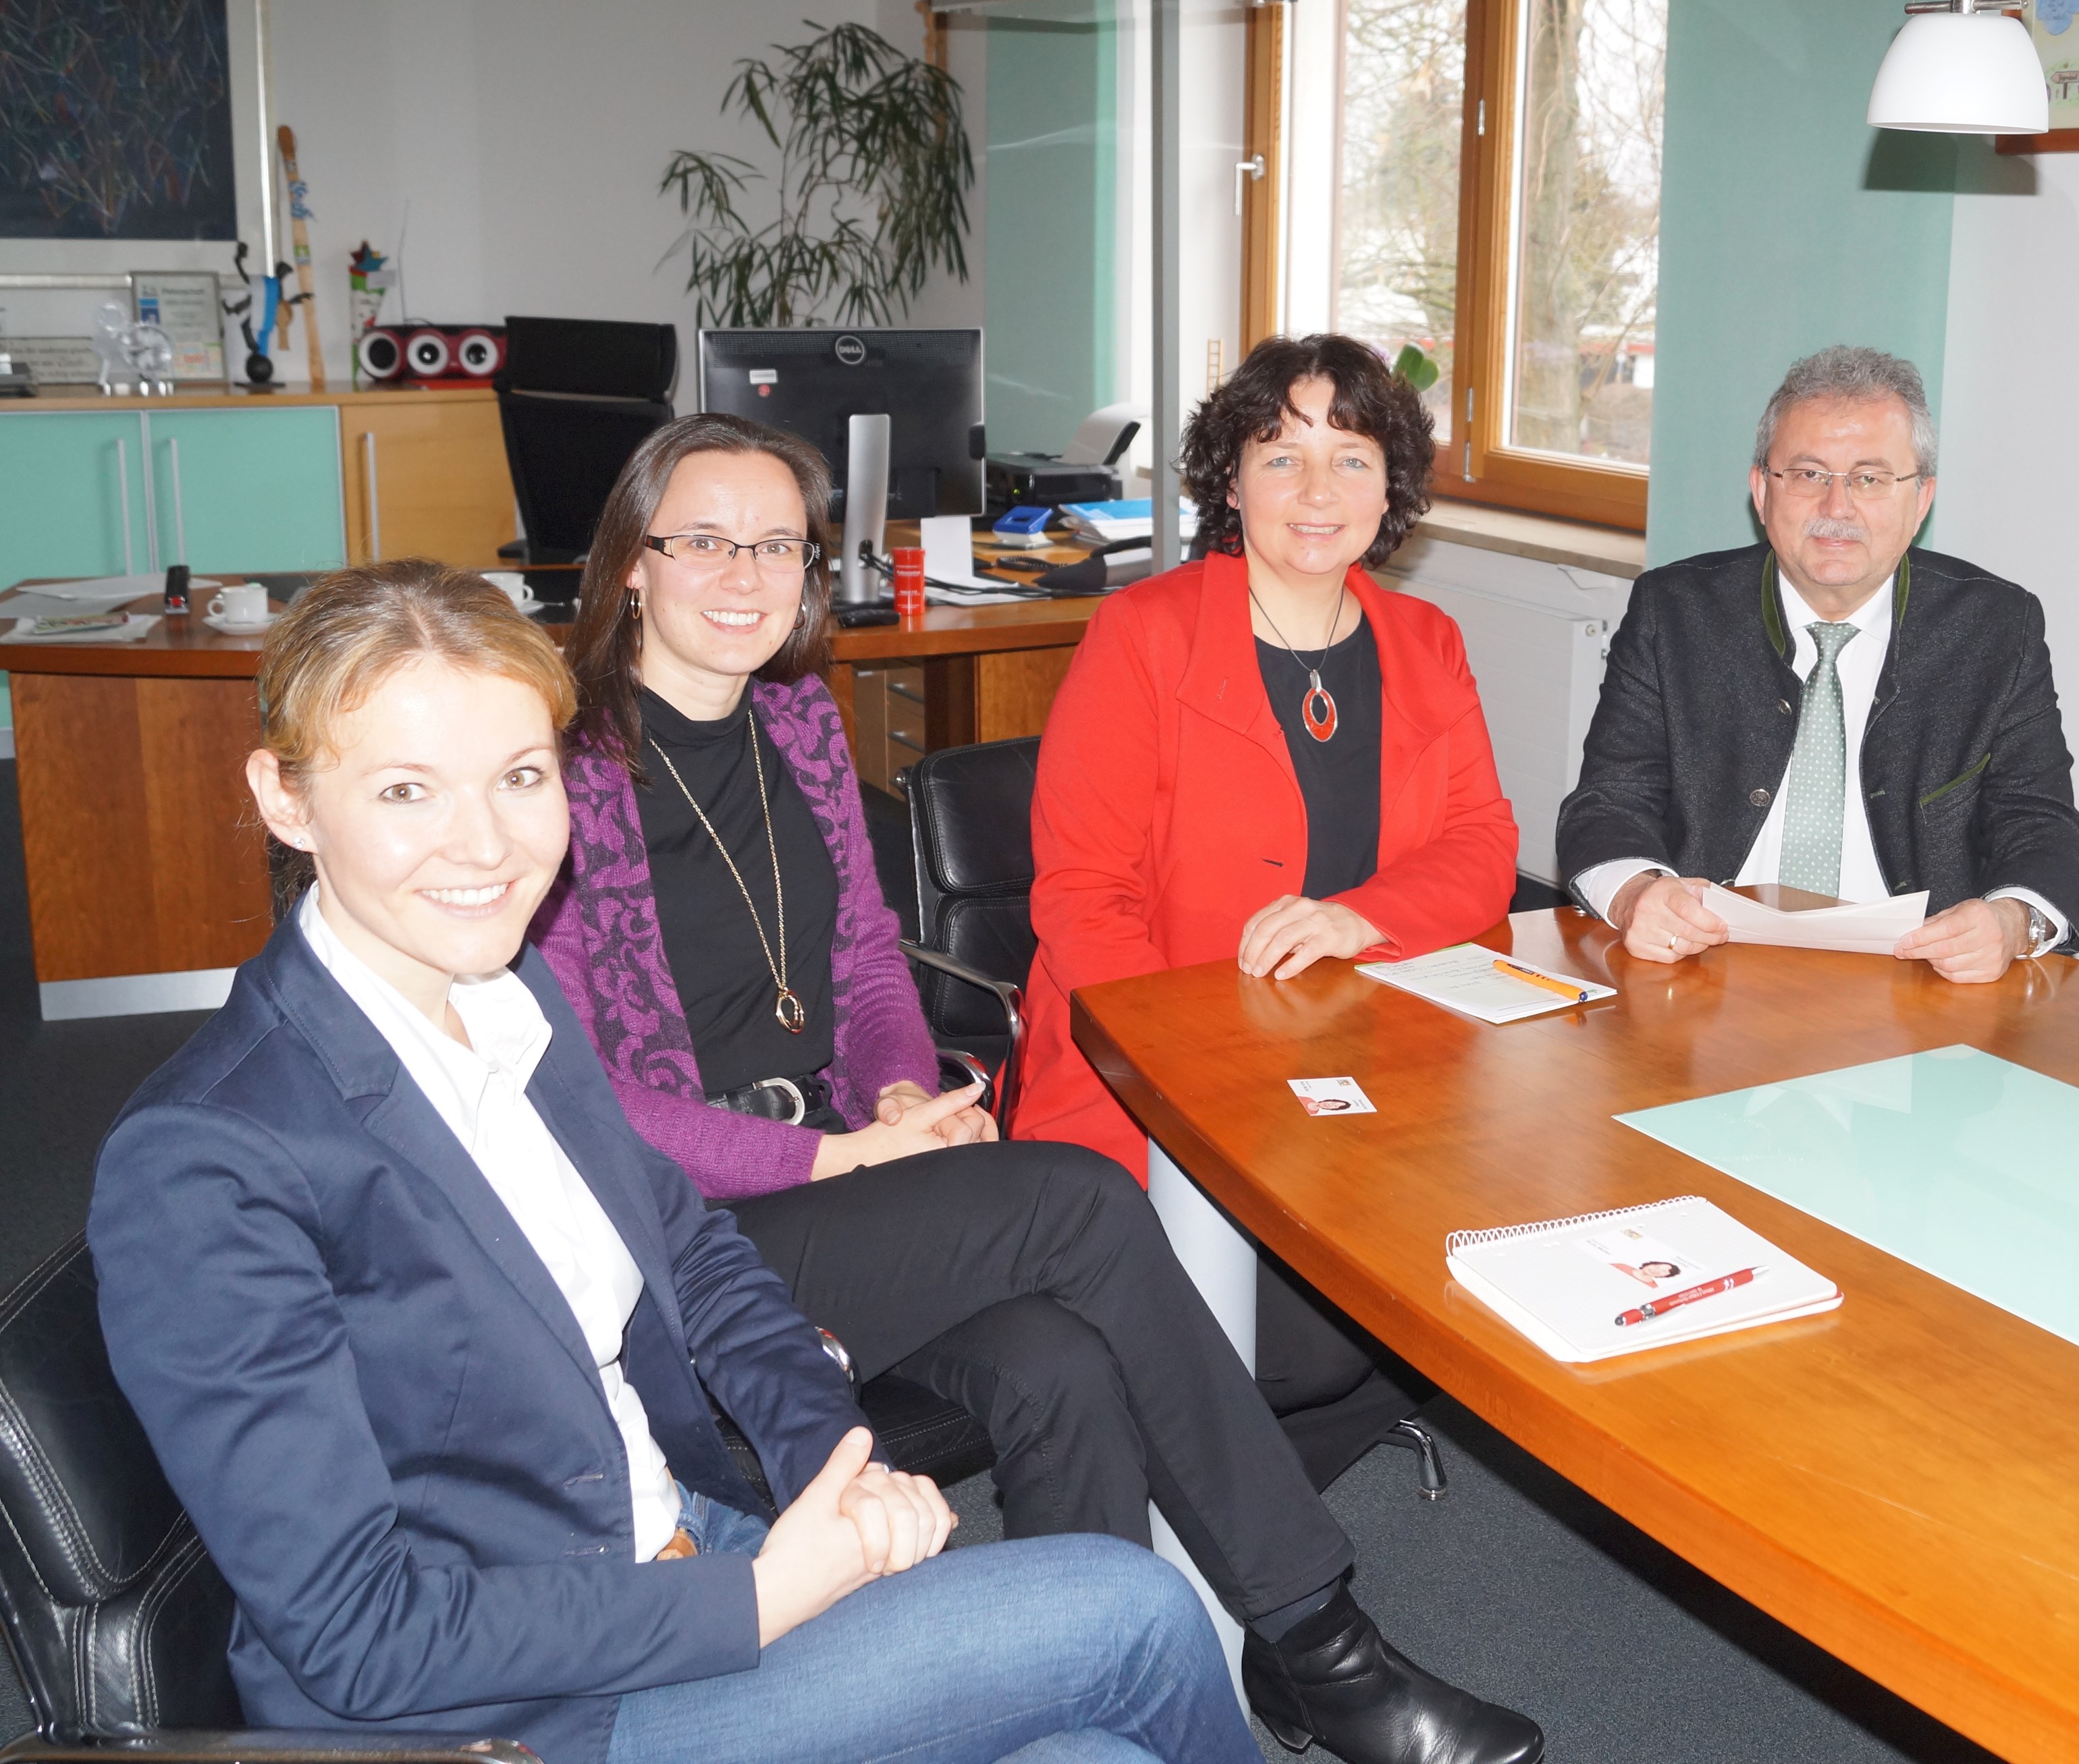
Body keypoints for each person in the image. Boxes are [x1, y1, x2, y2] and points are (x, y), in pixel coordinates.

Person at [88, 562, 1248, 1764]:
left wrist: (826, 1461)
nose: (483, 845)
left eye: (521, 778)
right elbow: (357, 1631)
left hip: (671, 1546)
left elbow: (693, 1253)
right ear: (286, 800)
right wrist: (762, 1596)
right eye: (405, 790)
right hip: (522, 1714)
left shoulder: (503, 992)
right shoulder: (208, 1160)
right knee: (1135, 1612)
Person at [532, 413, 1542, 1764]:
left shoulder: (797, 726)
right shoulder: (551, 766)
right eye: (702, 539)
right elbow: (578, 1104)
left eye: (775, 542)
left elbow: (870, 970)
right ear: (631, 566)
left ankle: (1081, 1709)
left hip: (839, 1186)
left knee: (1057, 1359)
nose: (742, 571)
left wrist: (896, 1100)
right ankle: (1318, 1638)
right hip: (683, 1234)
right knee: (1072, 1206)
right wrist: (830, 1162)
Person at [1019, 333, 1519, 1479]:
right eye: (1279, 454)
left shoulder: (1425, 642)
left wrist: (1361, 915)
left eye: (1351, 458)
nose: (1316, 490)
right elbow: (1084, 899)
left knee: (1449, 1295)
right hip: (1151, 1079)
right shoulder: (1142, 637)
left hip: (1363, 1073)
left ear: (1389, 491)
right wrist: (1202, 1071)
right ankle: (1269, 1593)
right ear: (1228, 478)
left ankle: (1241, 1544)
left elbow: (1482, 847)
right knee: (1293, 1340)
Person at [1556, 344, 2079, 981]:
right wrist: (1639, 893)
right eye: (1809, 474)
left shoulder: (1997, 629)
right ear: (1761, 490)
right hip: (1706, 968)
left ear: (1920, 500)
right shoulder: (1674, 611)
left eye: (1870, 478)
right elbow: (1607, 805)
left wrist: (2010, 922)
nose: (1838, 508)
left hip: (1916, 986)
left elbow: (2043, 827)